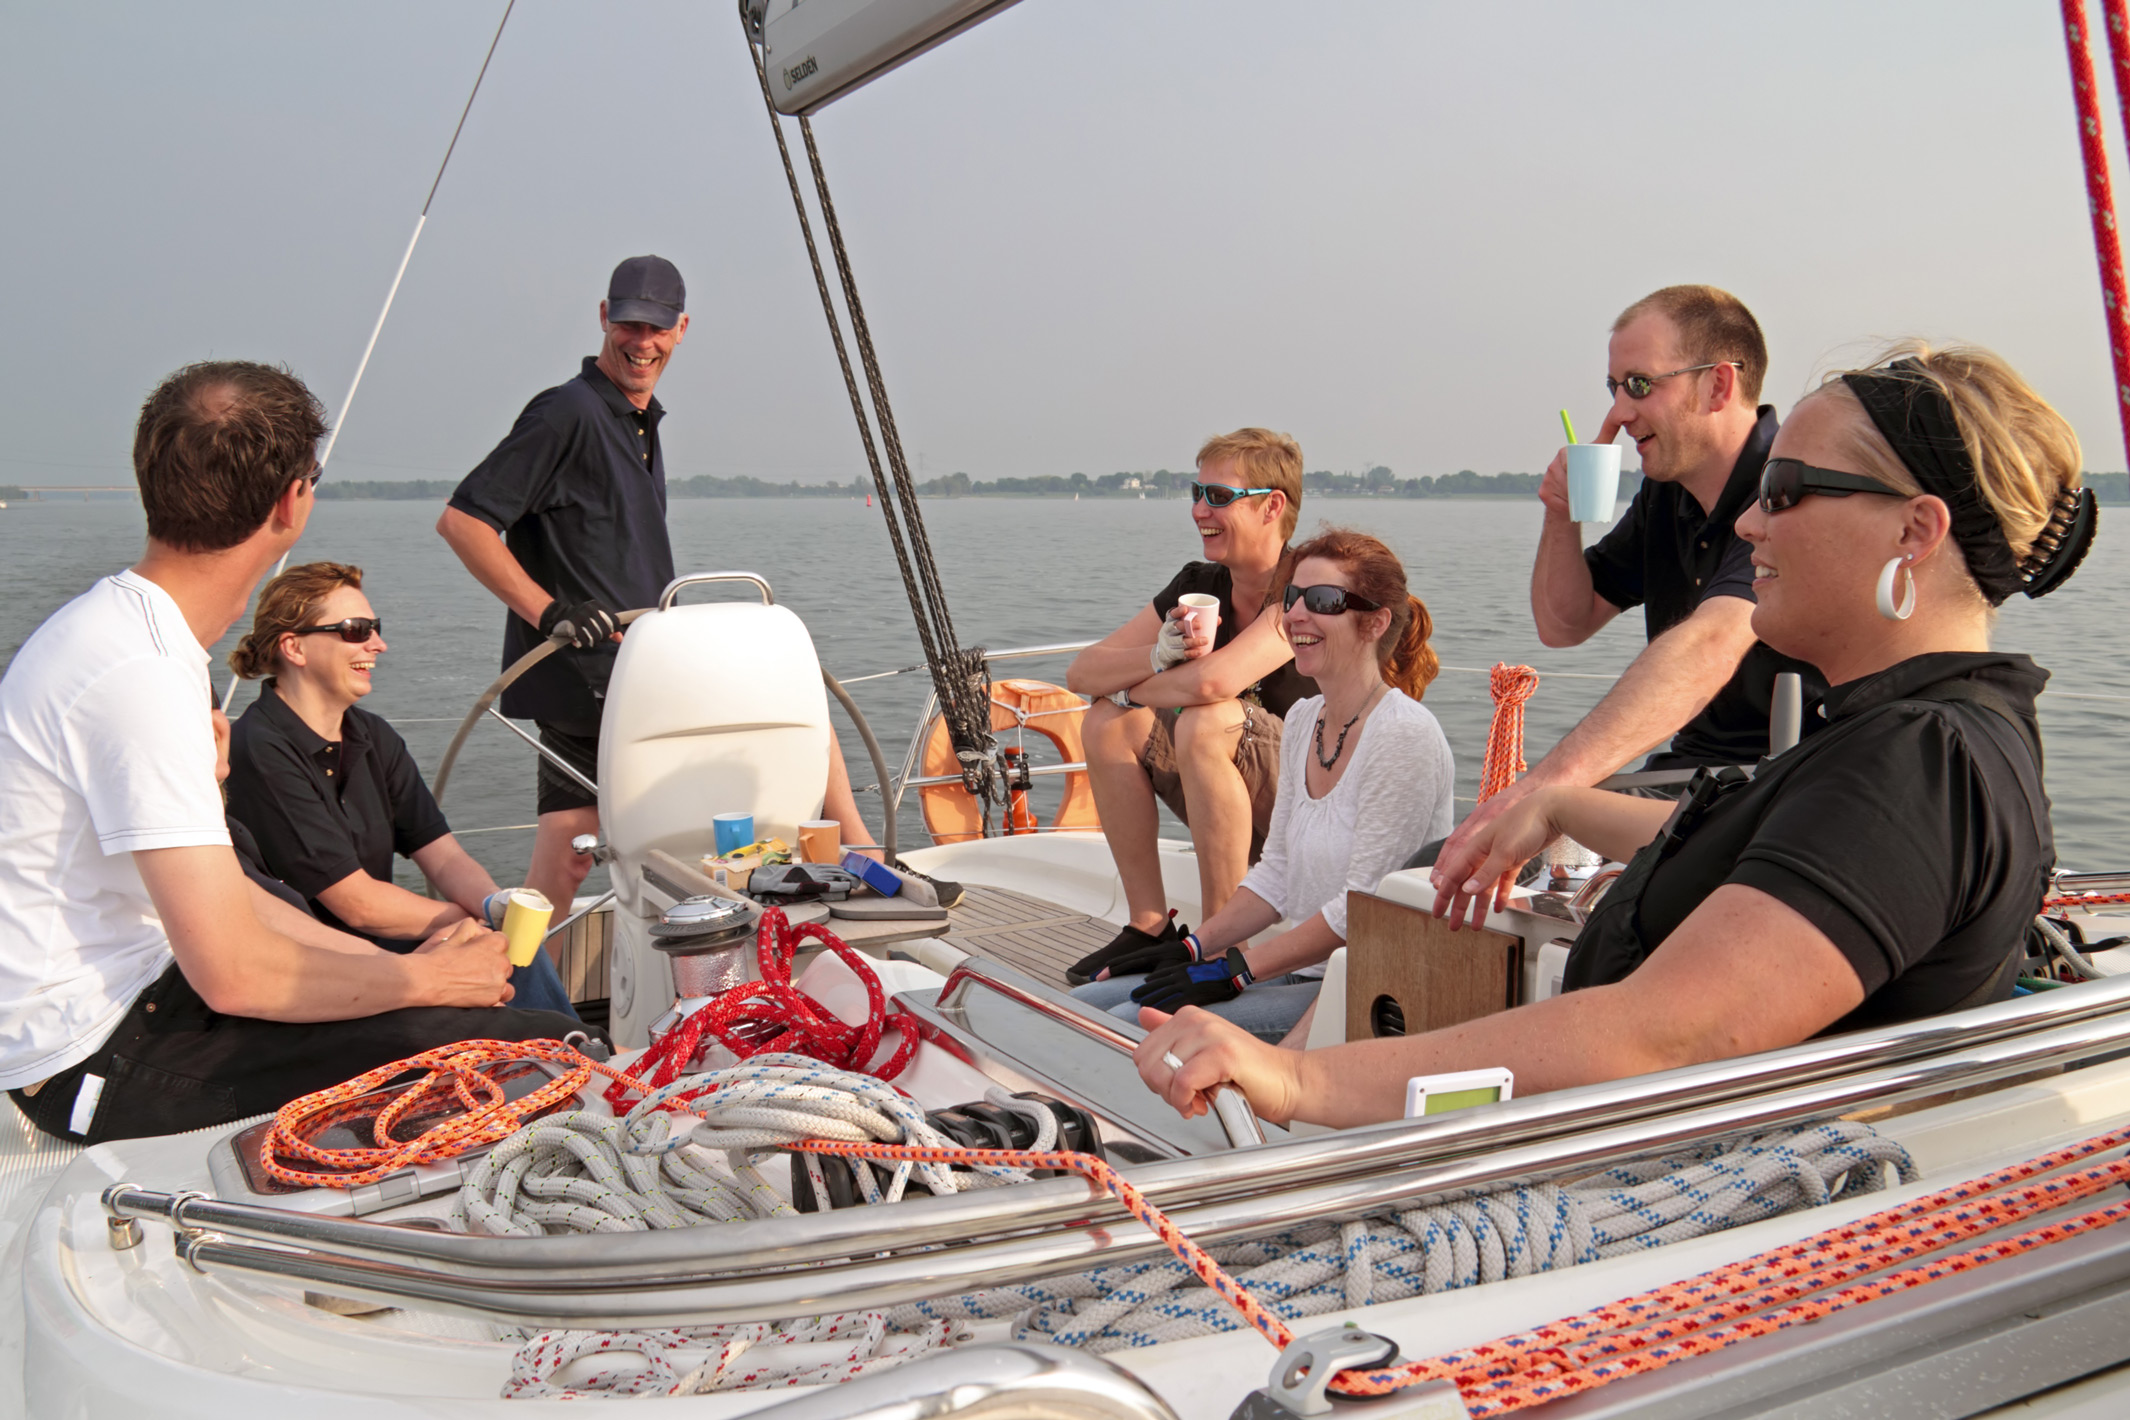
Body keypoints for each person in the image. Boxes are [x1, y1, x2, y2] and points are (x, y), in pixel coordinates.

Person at [1134, 343, 2089, 1129]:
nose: (1752, 521)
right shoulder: (1912, 735)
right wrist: (1555, 804)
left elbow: (1659, 1036)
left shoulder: (1919, 764)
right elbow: (1756, 834)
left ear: (1915, 532)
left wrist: (1298, 1082)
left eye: (1788, 489)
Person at [0, 361, 587, 1146]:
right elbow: (233, 971)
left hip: (146, 991)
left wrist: (408, 974)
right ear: (292, 502)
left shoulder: (129, 638)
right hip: (96, 1056)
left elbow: (241, 903)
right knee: (536, 1054)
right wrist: (419, 978)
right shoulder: (141, 676)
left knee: (508, 1016)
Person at [439, 255, 879, 913]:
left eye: (656, 328)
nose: (641, 343)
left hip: (619, 670)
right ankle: (865, 853)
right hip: (600, 673)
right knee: (789, 701)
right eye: (629, 324)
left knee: (563, 854)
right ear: (603, 319)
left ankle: (521, 992)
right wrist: (550, 611)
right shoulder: (569, 413)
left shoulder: (637, 418)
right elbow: (464, 521)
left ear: (681, 329)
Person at [1441, 287, 1826, 871]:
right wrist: (1558, 514)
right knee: (1441, 864)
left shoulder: (1784, 492)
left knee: (1507, 857)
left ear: (1718, 384)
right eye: (1613, 387)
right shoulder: (1666, 493)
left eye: (1640, 385)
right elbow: (1563, 624)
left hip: (1785, 791)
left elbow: (1712, 642)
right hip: (1688, 778)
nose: (1618, 415)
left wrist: (1538, 794)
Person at [1071, 529, 1453, 1041]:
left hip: (1365, 988)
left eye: (1322, 601)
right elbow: (1276, 875)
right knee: (1083, 1005)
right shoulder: (1303, 719)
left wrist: (1238, 969)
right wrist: (1191, 949)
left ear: (1375, 623)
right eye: (1292, 598)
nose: (1295, 615)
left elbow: (1362, 910)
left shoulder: (1402, 735)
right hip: (1304, 973)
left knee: (1131, 1026)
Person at [223, 562, 578, 1018]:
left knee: (496, 945)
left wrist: (492, 903)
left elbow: (444, 855)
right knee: (488, 943)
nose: (378, 643)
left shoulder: (373, 736)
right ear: (295, 648)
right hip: (318, 970)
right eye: (355, 630)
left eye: (375, 628)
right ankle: (569, 1058)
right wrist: (477, 924)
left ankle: (568, 1053)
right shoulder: (260, 750)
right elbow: (356, 904)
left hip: (382, 949)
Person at [1063, 429, 1319, 982]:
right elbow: (1083, 672)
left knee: (1205, 718)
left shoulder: (1306, 585)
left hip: (1307, 801)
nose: (1201, 509)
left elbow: (1214, 684)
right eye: (1196, 493)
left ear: (1273, 505)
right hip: (1231, 784)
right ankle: (1149, 926)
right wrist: (1157, 659)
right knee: (1108, 721)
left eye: (1219, 497)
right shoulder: (1198, 584)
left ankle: (1224, 942)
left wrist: (1139, 681)